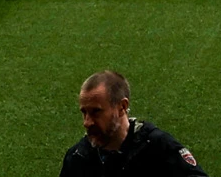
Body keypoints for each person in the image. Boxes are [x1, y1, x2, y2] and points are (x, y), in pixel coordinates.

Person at [63, 70, 201, 174]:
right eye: (84, 113)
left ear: (122, 107)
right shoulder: (78, 158)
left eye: (96, 112)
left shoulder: (157, 148)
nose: (87, 122)